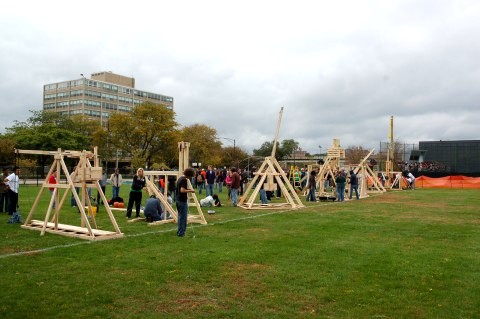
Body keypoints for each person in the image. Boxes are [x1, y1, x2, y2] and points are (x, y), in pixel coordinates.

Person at [176, 167, 195, 237]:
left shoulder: (180, 178)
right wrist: (191, 191)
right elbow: (182, 190)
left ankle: (179, 231)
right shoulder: (184, 180)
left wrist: (188, 189)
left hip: (178, 199)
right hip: (182, 201)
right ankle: (181, 233)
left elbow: (182, 188)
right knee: (183, 218)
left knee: (180, 217)